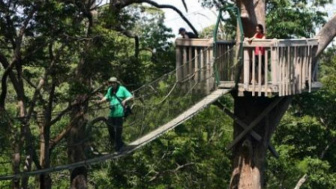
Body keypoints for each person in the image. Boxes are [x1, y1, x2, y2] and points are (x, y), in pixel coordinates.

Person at [96, 77, 133, 152]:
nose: (112, 84)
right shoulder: (110, 90)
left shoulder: (122, 89)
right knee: (110, 130)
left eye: (114, 83)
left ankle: (119, 148)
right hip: (112, 113)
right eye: (111, 83)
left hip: (120, 113)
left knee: (118, 131)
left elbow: (131, 96)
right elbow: (106, 97)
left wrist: (125, 100)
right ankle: (120, 144)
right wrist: (100, 101)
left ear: (116, 83)